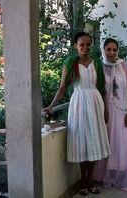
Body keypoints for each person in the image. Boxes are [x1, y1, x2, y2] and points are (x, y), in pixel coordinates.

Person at [42, 32, 110, 196]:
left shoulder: (97, 64)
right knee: (81, 141)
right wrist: (51, 106)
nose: (85, 48)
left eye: (88, 44)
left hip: (95, 103)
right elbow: (63, 87)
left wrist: (106, 109)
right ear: (76, 46)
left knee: (93, 141)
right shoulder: (70, 63)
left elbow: (102, 89)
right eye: (82, 45)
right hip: (78, 103)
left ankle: (90, 181)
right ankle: (82, 183)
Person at [93, 38, 127, 191]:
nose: (111, 53)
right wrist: (103, 110)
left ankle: (121, 176)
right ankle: (108, 175)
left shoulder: (123, 65)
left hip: (122, 110)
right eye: (108, 49)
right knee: (108, 141)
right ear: (103, 50)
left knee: (122, 142)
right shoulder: (98, 66)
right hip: (106, 110)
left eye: (114, 50)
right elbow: (99, 90)